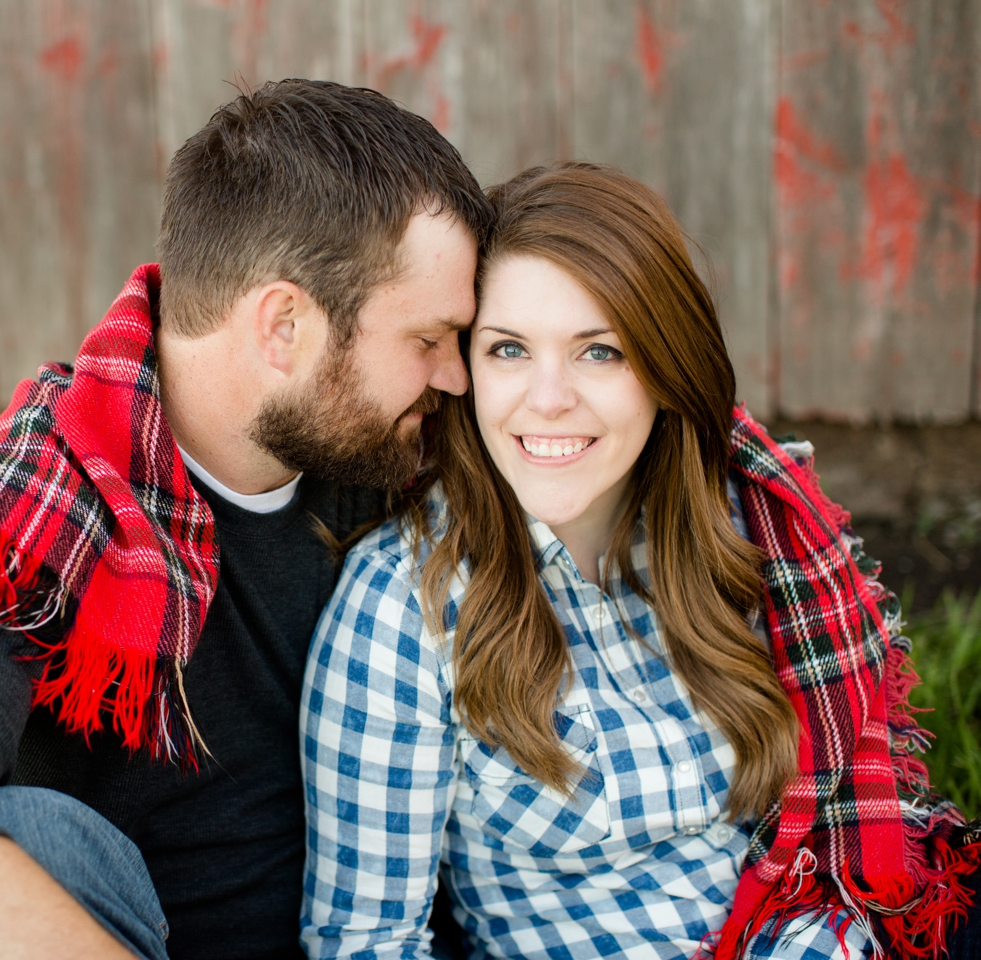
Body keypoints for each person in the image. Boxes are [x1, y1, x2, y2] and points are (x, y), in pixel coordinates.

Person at [0, 79, 493, 960]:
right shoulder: (30, 516)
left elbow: (630, 433)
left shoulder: (391, 450)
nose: (458, 377)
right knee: (30, 835)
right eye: (428, 340)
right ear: (285, 326)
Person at [301, 162, 981, 960]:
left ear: (665, 368)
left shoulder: (735, 524)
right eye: (510, 349)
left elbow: (825, 816)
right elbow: (366, 943)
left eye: (600, 353)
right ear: (465, 369)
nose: (548, 398)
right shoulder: (404, 605)